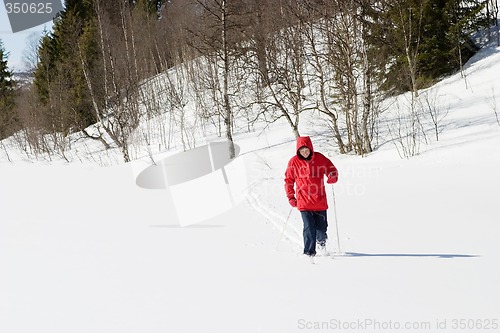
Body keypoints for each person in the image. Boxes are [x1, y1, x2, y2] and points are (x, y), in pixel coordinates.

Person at [284, 136, 338, 257]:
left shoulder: (319, 158)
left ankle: (321, 244)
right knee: (309, 227)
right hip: (304, 202)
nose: (304, 152)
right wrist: (291, 197)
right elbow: (288, 180)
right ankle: (309, 253)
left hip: (320, 201)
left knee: (321, 228)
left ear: (310, 148)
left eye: (306, 150)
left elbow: (331, 168)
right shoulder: (293, 162)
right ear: (298, 151)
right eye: (301, 150)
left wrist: (332, 175)